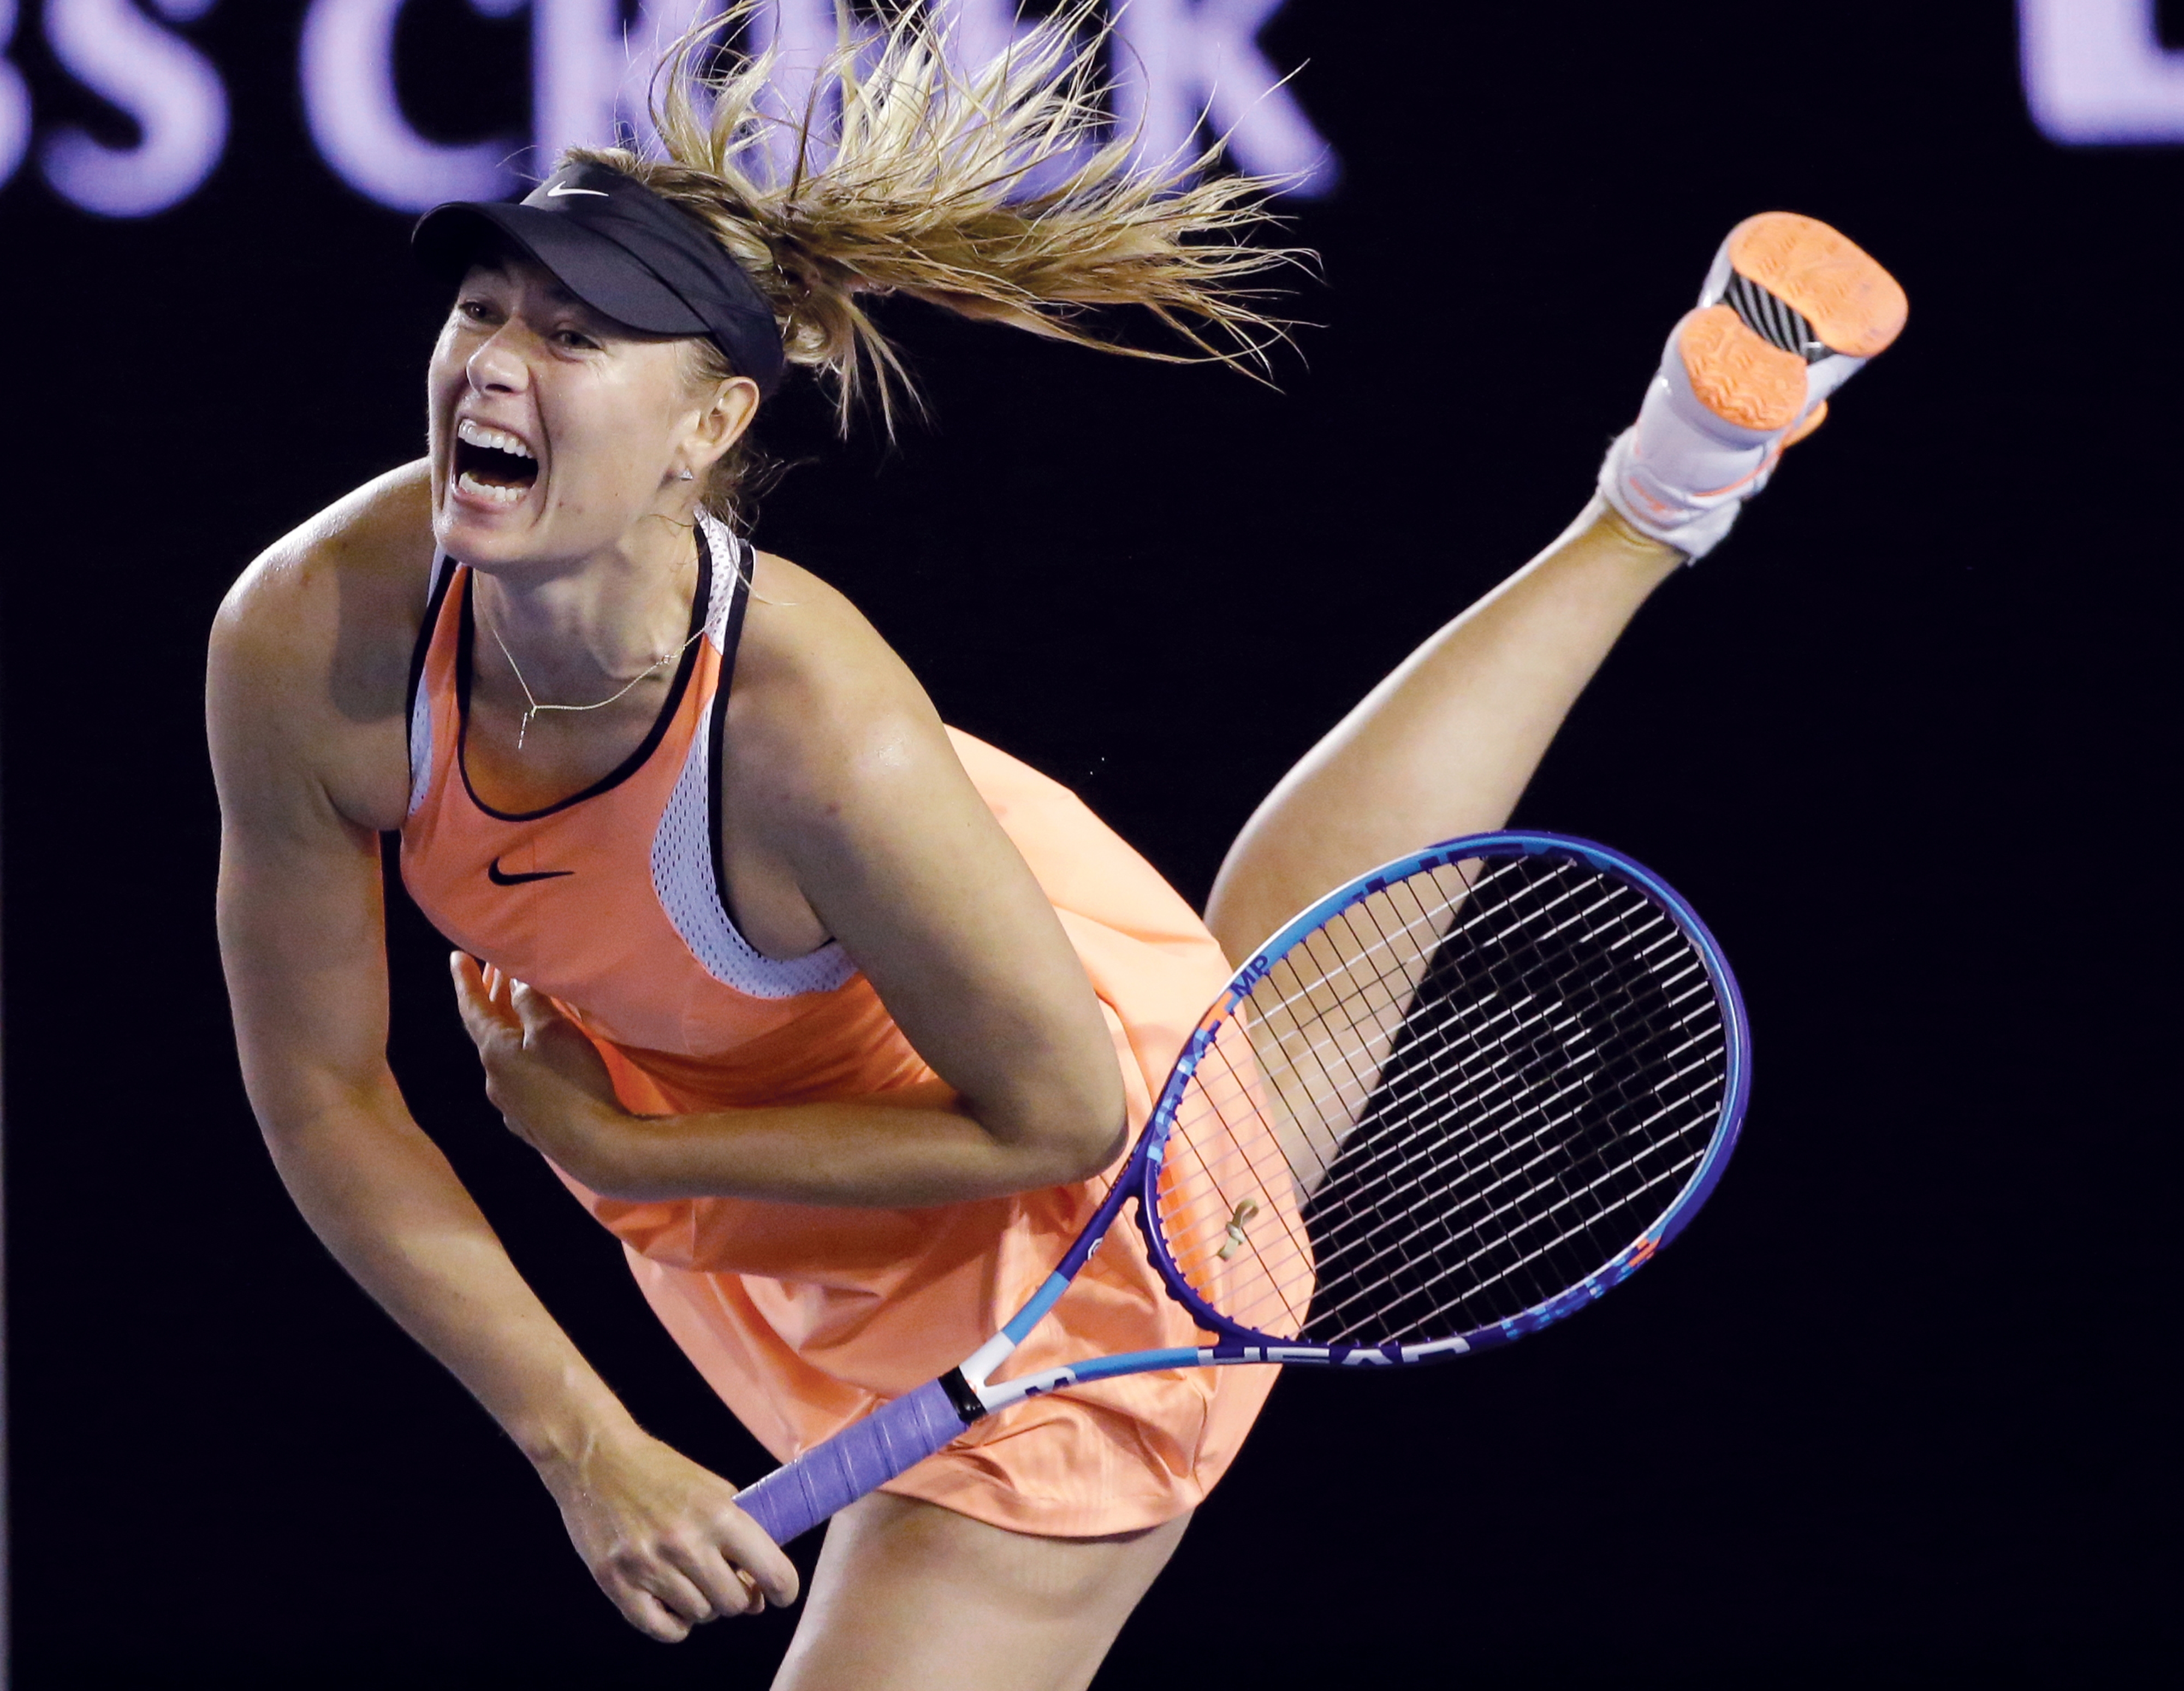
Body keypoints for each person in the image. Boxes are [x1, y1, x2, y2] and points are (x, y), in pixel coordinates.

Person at [208, 7, 1905, 1687]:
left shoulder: (820, 734)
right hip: (792, 1075)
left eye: (574, 338)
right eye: (482, 309)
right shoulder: (311, 634)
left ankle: (1662, 498)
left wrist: (628, 1154)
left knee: (1229, 1101)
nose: (495, 362)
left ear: (708, 425)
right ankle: (1667, 487)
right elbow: (323, 1090)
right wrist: (582, 1438)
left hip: (1043, 1207)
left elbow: (1064, 1117)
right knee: (1278, 1033)